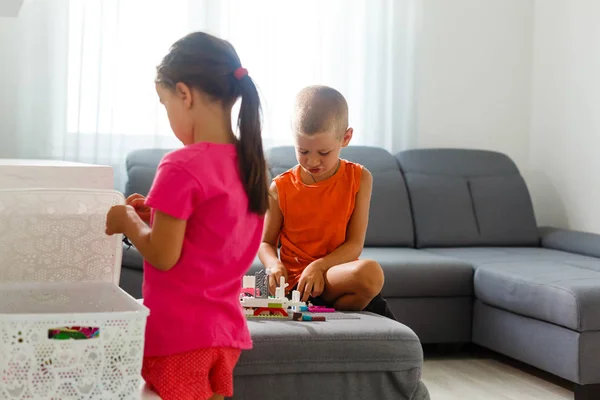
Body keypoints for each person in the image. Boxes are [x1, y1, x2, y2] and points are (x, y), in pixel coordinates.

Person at [105, 32, 268, 400]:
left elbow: (164, 255)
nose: (167, 116)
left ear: (185, 94)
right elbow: (212, 240)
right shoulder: (250, 165)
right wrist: (156, 216)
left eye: (164, 104)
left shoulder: (181, 164)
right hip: (225, 335)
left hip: (180, 334)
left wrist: (126, 221)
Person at [258, 85, 396, 320]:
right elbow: (265, 243)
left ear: (346, 138)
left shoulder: (360, 178)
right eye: (303, 151)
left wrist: (319, 266)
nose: (312, 161)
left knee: (371, 273)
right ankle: (325, 311)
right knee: (367, 290)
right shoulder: (280, 187)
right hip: (298, 284)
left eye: (323, 152)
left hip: (335, 277)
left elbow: (354, 245)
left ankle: (328, 313)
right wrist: (274, 265)